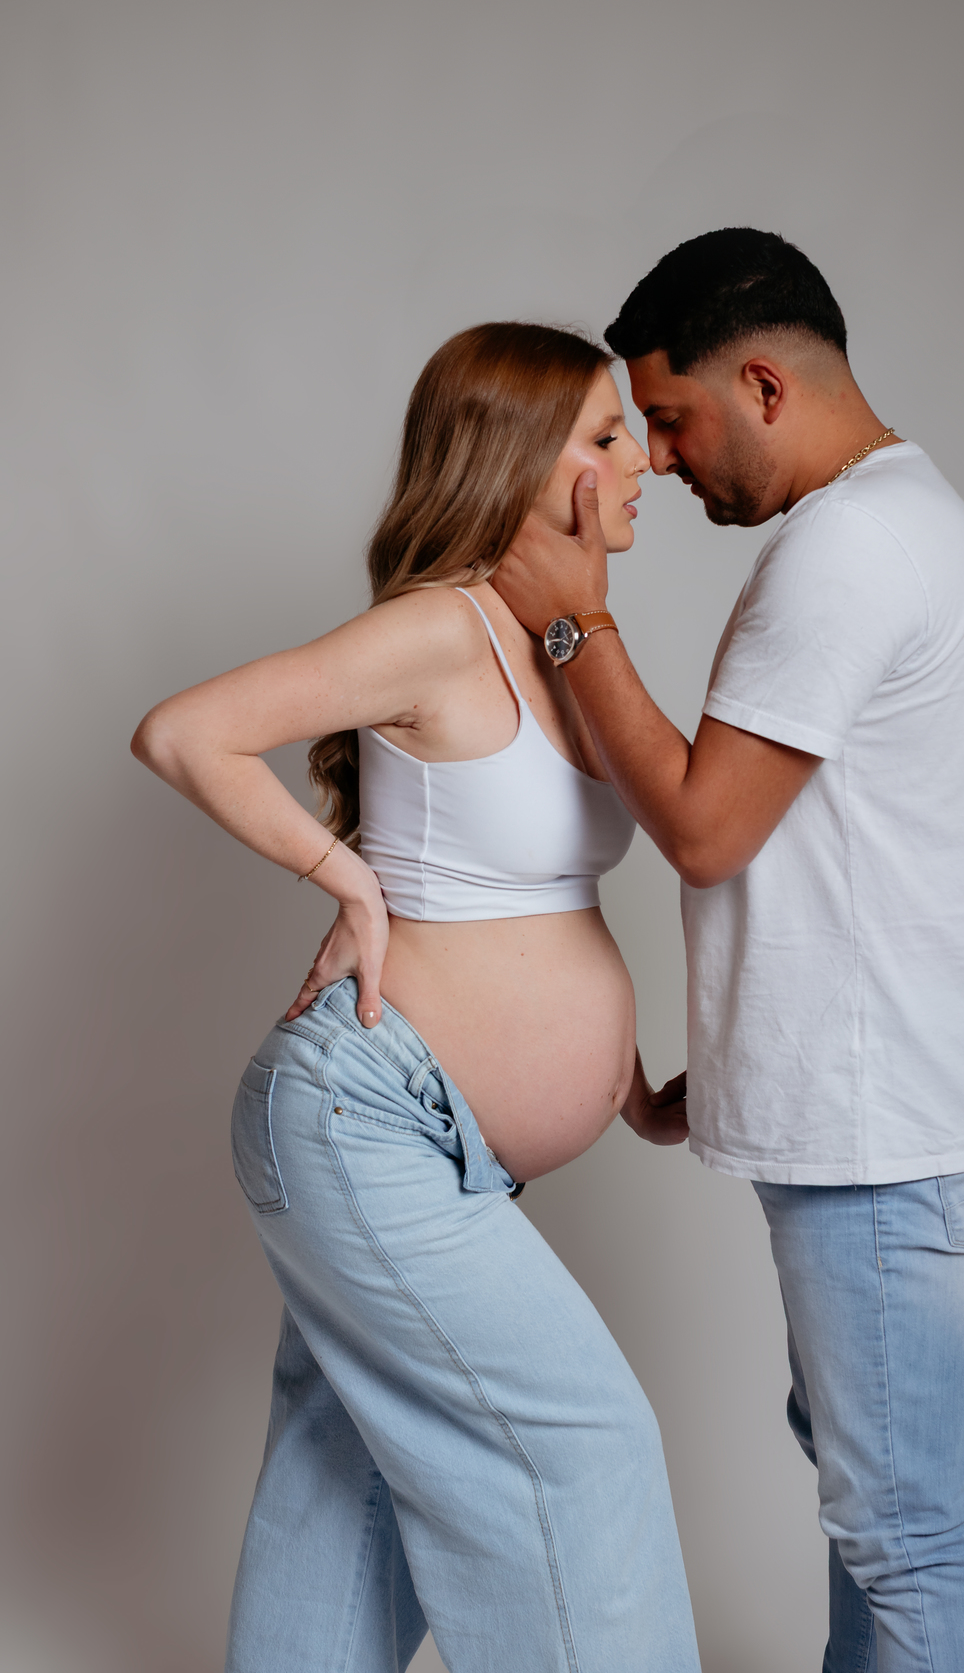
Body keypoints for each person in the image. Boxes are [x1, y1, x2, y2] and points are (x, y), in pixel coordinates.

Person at [493, 230, 964, 1673]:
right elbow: (837, 842)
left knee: (903, 1533)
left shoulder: (849, 548)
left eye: (669, 418)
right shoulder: (900, 517)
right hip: (895, 1101)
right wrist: (747, 1059)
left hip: (884, 1131)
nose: (658, 462)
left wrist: (575, 625)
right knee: (878, 1510)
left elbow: (704, 827)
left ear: (761, 384)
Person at [131, 322, 701, 1673]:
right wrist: (350, 882)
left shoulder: (560, 641)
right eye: (608, 436)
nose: (643, 463)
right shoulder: (443, 628)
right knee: (584, 1445)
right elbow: (183, 732)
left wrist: (621, 1084)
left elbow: (544, 892)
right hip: (366, 1117)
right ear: (525, 464)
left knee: (347, 1488)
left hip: (436, 1141)